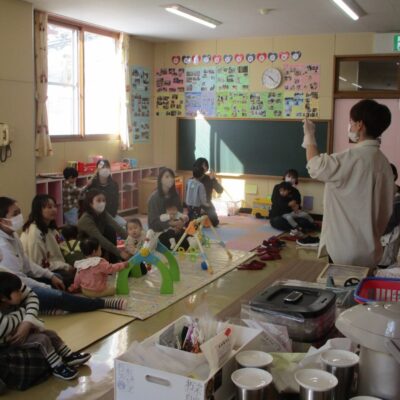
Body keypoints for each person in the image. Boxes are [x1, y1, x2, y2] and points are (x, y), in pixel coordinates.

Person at [302, 99, 394, 267]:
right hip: (371, 248)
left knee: (341, 284)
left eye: (351, 121)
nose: (350, 126)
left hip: (344, 248)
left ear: (360, 125)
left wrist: (309, 135)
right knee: (363, 283)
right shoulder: (384, 163)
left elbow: (315, 166)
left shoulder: (352, 157)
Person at [0, 197, 126, 313]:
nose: (19, 216)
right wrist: (45, 286)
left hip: (30, 277)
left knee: (58, 278)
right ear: (2, 221)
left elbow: (29, 265)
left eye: (19, 212)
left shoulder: (14, 234)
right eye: (15, 214)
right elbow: (19, 280)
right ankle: (101, 303)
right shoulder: (5, 244)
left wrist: (50, 276)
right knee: (58, 294)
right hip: (17, 289)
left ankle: (58, 302)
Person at [0, 271, 90, 380]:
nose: (20, 292)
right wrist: (25, 314)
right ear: (3, 297)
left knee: (51, 334)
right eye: (17, 292)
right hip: (10, 341)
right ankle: (57, 366)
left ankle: (68, 356)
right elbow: (4, 326)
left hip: (20, 332)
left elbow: (30, 295)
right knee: (41, 340)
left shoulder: (7, 288)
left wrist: (28, 321)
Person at [20, 195, 75, 287]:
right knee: (68, 278)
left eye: (54, 206)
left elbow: (63, 245)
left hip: (56, 265)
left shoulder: (51, 228)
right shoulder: (35, 232)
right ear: (38, 210)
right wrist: (65, 266)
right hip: (39, 273)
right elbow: (38, 265)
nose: (54, 210)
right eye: (49, 207)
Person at [77, 189, 130, 262]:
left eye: (103, 200)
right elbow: (100, 239)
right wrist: (120, 253)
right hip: (88, 247)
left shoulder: (102, 213)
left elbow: (117, 227)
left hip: (97, 242)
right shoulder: (86, 219)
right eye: (98, 200)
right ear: (90, 203)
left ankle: (113, 260)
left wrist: (133, 240)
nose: (102, 203)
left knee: (110, 229)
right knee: (108, 233)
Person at [148, 168, 189, 250]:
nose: (170, 179)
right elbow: (153, 223)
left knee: (188, 240)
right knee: (175, 244)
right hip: (160, 232)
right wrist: (170, 224)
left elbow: (179, 213)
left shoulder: (175, 195)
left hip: (175, 229)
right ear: (160, 180)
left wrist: (181, 222)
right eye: (167, 177)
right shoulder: (154, 198)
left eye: (172, 177)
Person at [86, 159, 125, 226]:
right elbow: (88, 202)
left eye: (107, 167)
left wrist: (111, 216)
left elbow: (115, 202)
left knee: (123, 224)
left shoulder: (114, 184)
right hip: (96, 216)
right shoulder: (92, 184)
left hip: (111, 215)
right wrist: (87, 186)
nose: (105, 169)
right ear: (98, 170)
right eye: (103, 167)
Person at [379, 163, 400, 268]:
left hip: (389, 236)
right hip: (380, 234)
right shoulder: (380, 192)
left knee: (385, 264)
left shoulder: (397, 196)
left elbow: (393, 221)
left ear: (394, 176)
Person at [193, 157, 223, 226]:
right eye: (203, 165)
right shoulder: (192, 180)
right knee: (193, 223)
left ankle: (204, 219)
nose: (205, 167)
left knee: (215, 222)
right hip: (196, 206)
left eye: (206, 166)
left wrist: (213, 179)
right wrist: (198, 209)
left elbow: (220, 190)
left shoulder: (209, 179)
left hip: (207, 205)